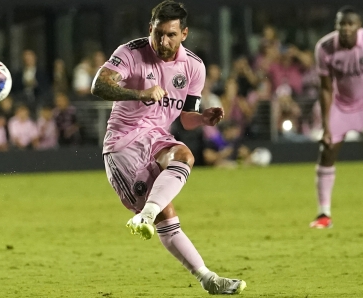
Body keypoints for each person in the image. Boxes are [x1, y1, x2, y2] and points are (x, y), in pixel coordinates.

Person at [90, 1, 246, 295]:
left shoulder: (194, 67)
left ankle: (207, 278)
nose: (163, 41)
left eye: (171, 35)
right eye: (158, 33)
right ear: (150, 29)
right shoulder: (131, 52)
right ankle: (206, 277)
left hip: (157, 138)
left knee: (185, 155)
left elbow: (186, 119)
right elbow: (99, 85)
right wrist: (139, 93)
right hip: (123, 146)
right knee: (167, 217)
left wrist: (203, 119)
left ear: (184, 34)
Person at [310, 6, 363, 229]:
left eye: (350, 24)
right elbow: (326, 89)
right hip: (341, 104)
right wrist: (326, 126)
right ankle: (323, 215)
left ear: (359, 26)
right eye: (341, 25)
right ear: (336, 27)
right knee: (326, 150)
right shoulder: (325, 47)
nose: (345, 29)